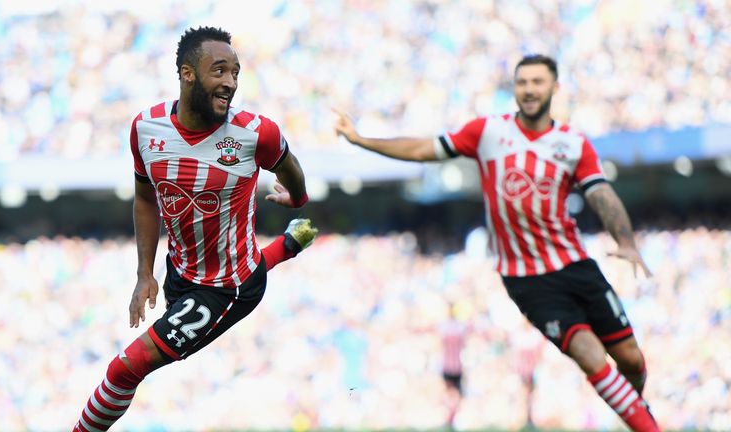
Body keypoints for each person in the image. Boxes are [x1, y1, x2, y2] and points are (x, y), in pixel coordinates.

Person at [333, 54, 659, 432]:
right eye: (522, 82)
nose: (529, 89)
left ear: (554, 88)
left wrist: (627, 241)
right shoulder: (487, 133)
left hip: (575, 264)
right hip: (528, 278)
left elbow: (600, 192)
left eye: (538, 82)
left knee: (631, 360)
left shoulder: (572, 143)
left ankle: (636, 415)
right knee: (590, 354)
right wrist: (362, 140)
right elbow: (425, 149)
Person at [72, 26, 317, 432]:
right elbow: (147, 199)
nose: (230, 83)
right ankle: (287, 246)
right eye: (219, 71)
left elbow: (292, 169)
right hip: (179, 273)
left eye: (235, 73)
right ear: (187, 73)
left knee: (124, 369)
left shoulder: (255, 134)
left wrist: (298, 198)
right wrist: (144, 273)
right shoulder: (146, 129)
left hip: (228, 288)